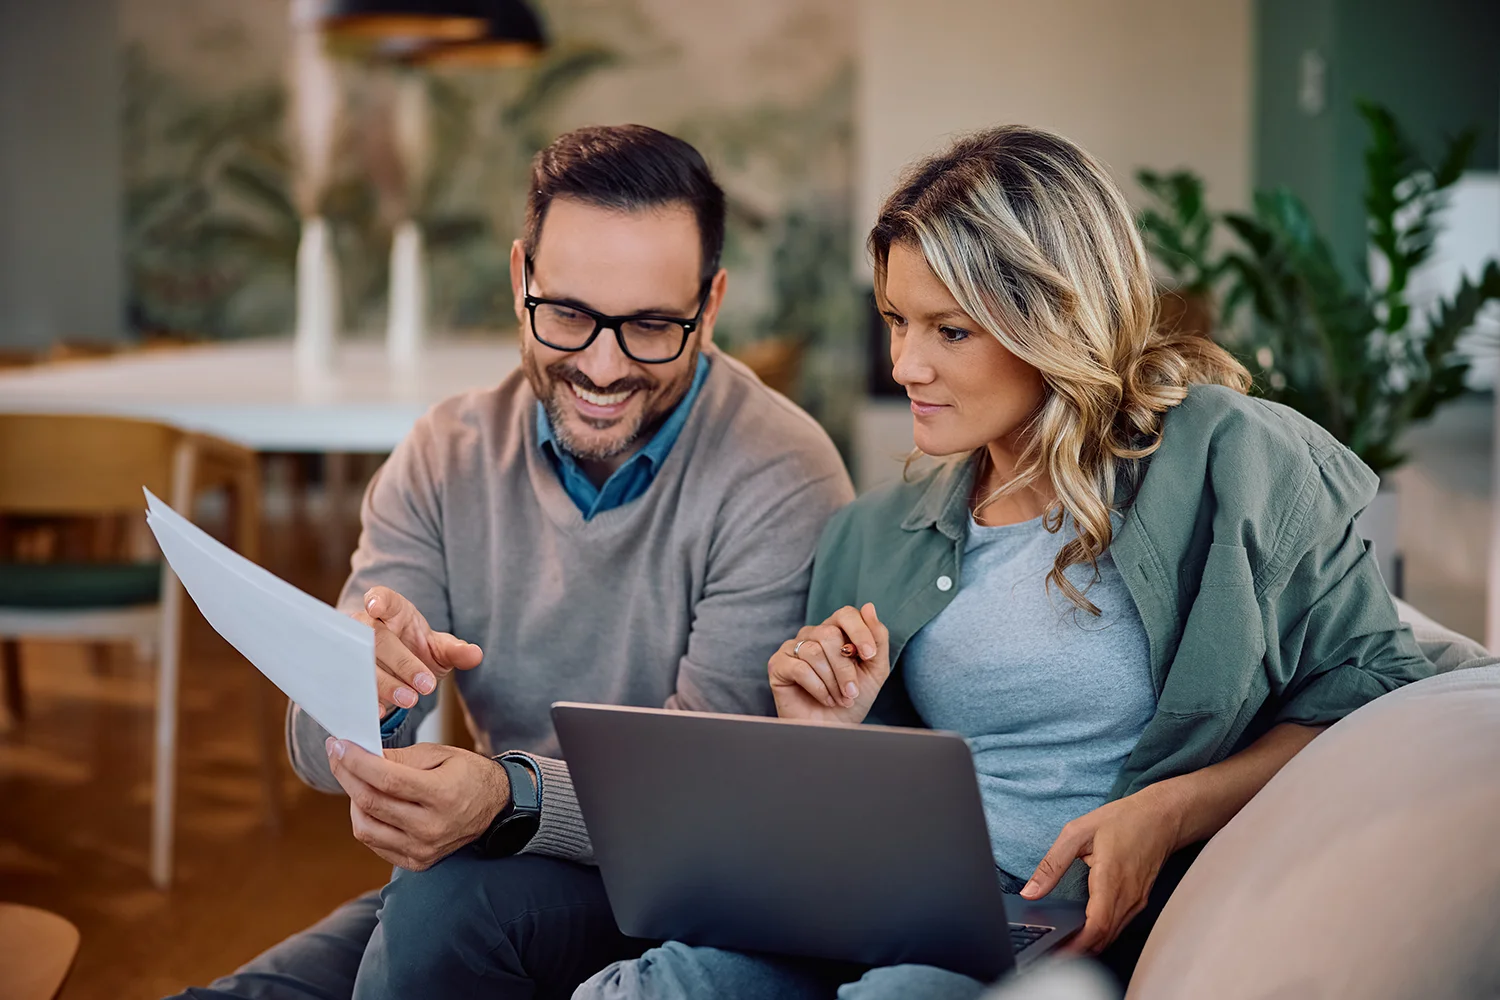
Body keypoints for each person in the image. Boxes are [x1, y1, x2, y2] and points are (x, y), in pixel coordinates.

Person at [576, 124, 1432, 1000]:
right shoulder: (872, 534)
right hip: (881, 898)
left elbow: (1367, 693)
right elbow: (850, 811)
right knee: (650, 989)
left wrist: (1167, 812)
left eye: (949, 331)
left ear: (1052, 318)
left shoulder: (1234, 462)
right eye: (897, 322)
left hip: (1057, 927)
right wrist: (825, 738)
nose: (905, 364)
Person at [171, 124, 853, 1000]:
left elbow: (703, 803)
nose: (602, 367)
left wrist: (509, 796)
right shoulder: (442, 453)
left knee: (440, 917)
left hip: (680, 892)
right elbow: (314, 749)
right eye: (567, 313)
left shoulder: (782, 473)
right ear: (519, 278)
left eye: (650, 326)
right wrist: (362, 695)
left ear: (710, 307)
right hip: (490, 860)